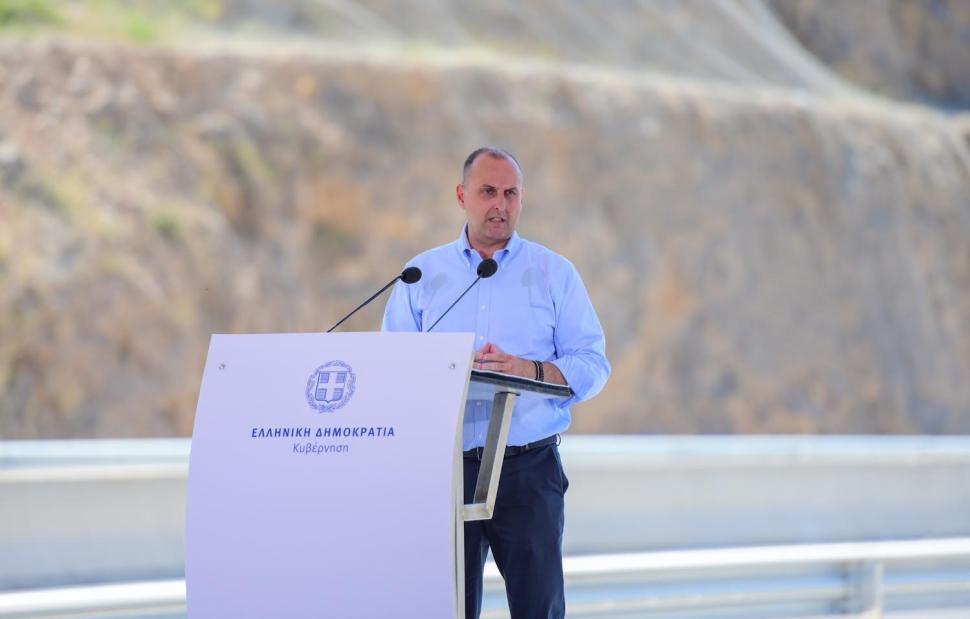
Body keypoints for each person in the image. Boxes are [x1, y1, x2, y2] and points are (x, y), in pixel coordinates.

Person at [382, 147, 610, 619]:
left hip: (528, 472)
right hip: (443, 471)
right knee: (444, 610)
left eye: (511, 194)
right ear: (461, 195)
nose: (500, 205)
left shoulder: (555, 273)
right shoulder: (420, 274)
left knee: (538, 610)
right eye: (488, 191)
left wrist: (529, 370)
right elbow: (390, 369)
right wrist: (441, 369)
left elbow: (592, 365)